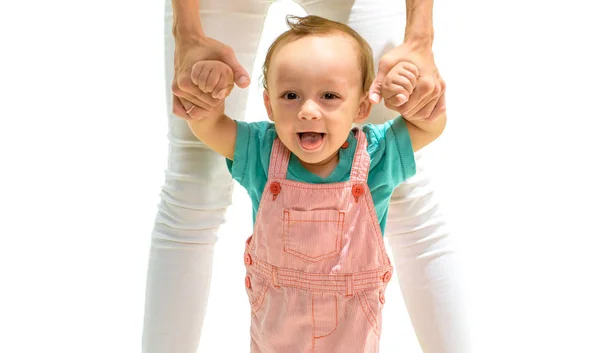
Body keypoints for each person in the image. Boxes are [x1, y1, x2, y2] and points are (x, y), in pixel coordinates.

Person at [143, 0, 470, 352]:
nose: (309, 111)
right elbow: (210, 129)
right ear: (268, 105)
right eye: (291, 96)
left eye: (329, 96)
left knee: (412, 198)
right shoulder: (262, 151)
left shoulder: (375, 154)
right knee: (194, 183)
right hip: (277, 341)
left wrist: (418, 83)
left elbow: (426, 125)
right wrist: (204, 95)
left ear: (363, 107)